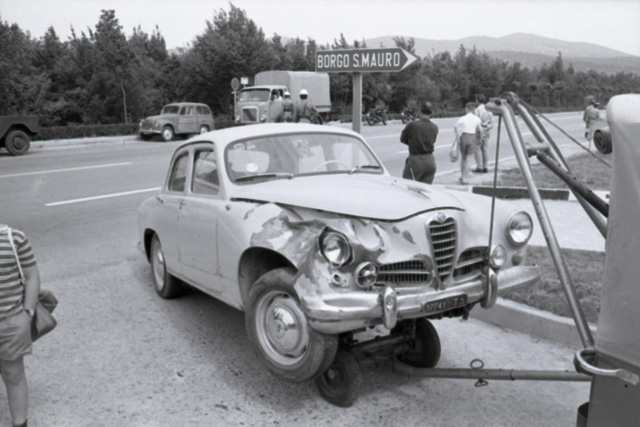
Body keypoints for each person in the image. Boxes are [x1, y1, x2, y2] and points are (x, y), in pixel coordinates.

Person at [0, 225, 41, 427]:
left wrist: (28, 313)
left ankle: (20, 423)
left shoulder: (13, 238)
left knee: (13, 374)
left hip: (11, 322)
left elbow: (32, 276)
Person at [400, 102, 438, 184]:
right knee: (425, 189)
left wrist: (413, 142)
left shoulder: (412, 125)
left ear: (419, 112)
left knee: (408, 186)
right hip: (430, 161)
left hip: (416, 161)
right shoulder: (434, 127)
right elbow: (433, 141)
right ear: (431, 113)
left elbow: (403, 139)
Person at [454, 102, 483, 185]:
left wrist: (457, 135)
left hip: (464, 136)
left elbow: (455, 126)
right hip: (472, 137)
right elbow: (480, 130)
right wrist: (480, 139)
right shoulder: (476, 119)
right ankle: (465, 177)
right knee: (469, 159)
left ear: (466, 109)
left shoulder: (463, 118)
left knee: (463, 157)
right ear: (473, 109)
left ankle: (462, 175)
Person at [473, 94, 493, 173]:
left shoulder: (477, 110)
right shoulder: (488, 109)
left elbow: (476, 122)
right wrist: (488, 128)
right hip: (487, 130)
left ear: (477, 100)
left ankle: (479, 166)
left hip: (479, 130)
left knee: (477, 148)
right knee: (485, 148)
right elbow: (492, 122)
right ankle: (485, 166)